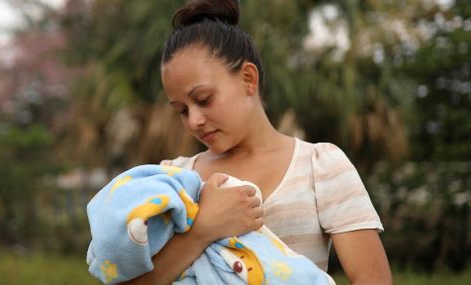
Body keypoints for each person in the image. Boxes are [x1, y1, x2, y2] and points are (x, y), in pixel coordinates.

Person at [120, 0, 392, 284]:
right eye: (182, 110)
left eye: (203, 99)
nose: (194, 121)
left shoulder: (319, 166)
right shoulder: (172, 180)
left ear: (248, 79)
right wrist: (203, 230)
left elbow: (372, 279)